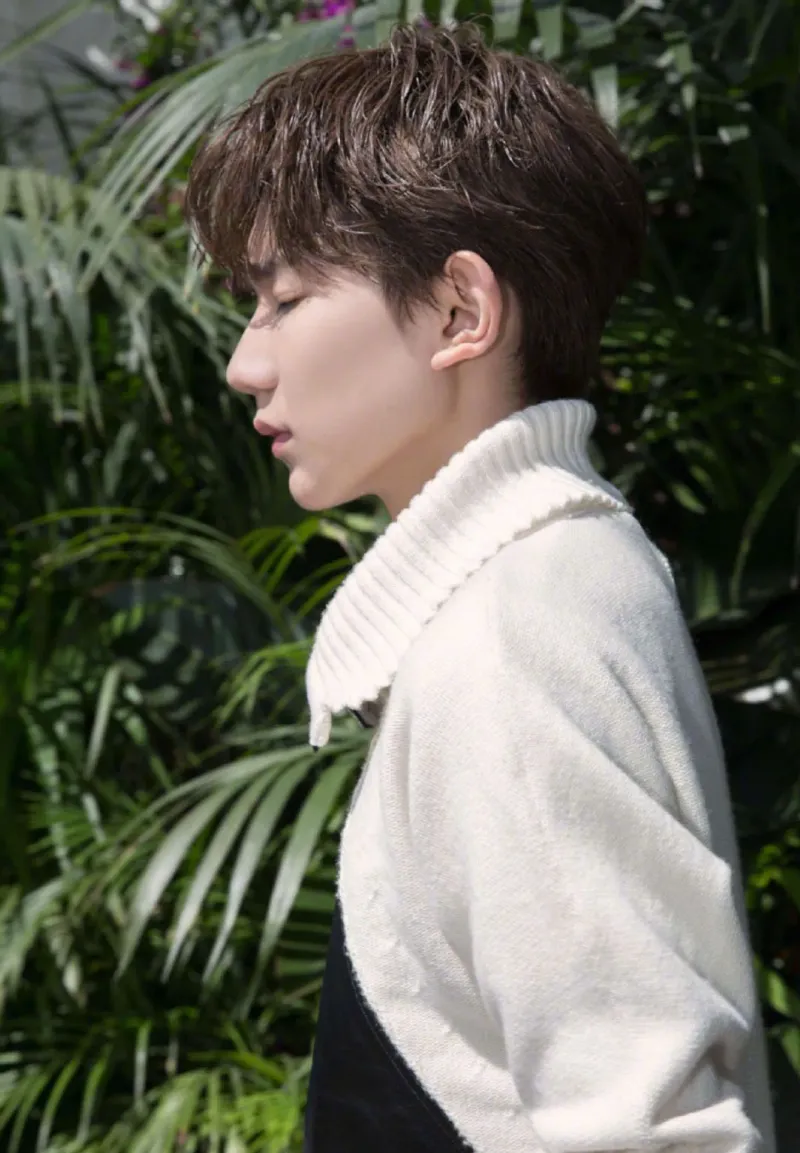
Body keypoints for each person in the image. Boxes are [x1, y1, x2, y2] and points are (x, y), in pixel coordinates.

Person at [183, 21, 776, 1153]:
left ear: (460, 311)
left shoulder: (512, 631)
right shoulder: (565, 570)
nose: (245, 363)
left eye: (285, 299)